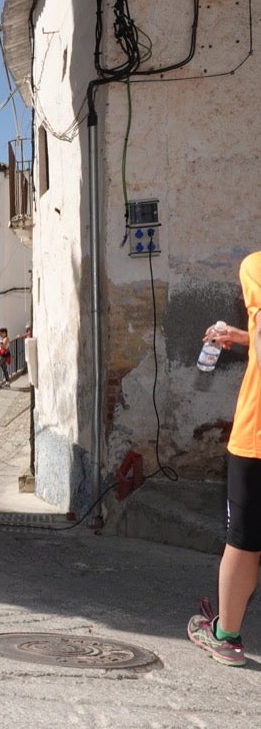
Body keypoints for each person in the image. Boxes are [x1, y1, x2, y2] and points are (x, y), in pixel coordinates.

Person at [187, 255, 261, 667]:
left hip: (257, 437)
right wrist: (242, 333)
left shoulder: (257, 266)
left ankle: (226, 637)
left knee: (245, 541)